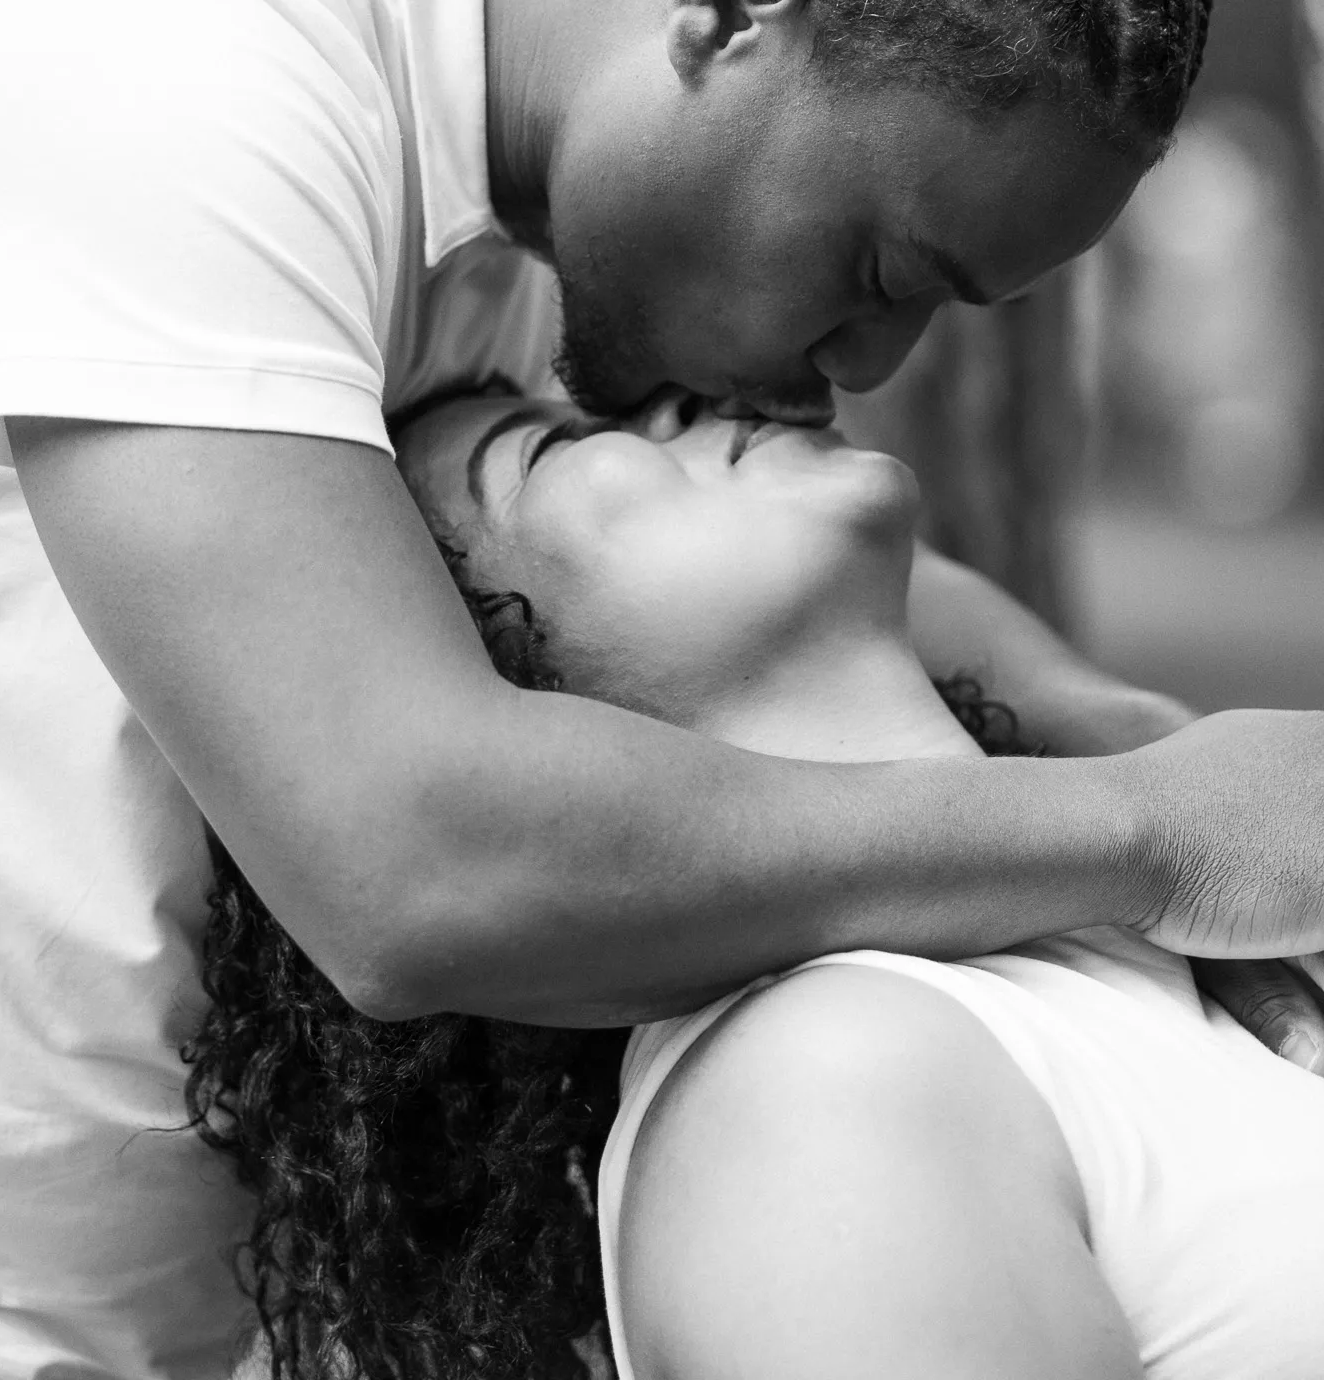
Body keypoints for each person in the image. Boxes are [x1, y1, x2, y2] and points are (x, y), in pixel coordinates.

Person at [0, 0, 1324, 1379]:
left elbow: (787, 594)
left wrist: (1117, 726)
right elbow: (410, 861)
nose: (866, 375)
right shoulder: (170, 39)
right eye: (880, 269)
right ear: (733, 5)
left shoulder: (569, 171)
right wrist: (1146, 829)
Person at [188, 385, 1324, 1380]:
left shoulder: (1184, 922)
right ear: (509, 683)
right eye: (552, 445)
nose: (683, 401)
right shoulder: (810, 1092)